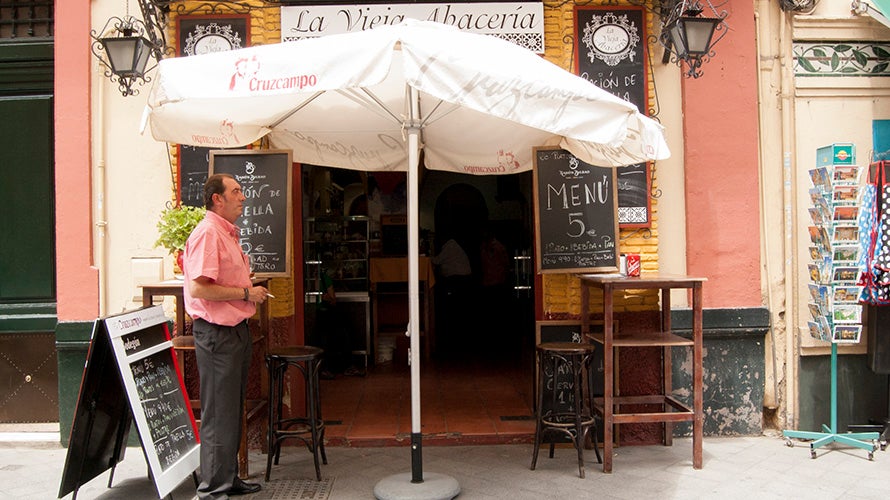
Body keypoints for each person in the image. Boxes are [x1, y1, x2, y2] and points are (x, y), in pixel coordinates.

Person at [182, 173, 269, 499]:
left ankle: (227, 478)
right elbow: (200, 287)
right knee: (219, 413)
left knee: (231, 409)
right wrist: (246, 293)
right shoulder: (209, 233)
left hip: (232, 331)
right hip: (218, 334)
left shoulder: (225, 233)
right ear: (217, 198)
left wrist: (244, 286)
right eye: (235, 191)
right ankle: (213, 489)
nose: (243, 197)